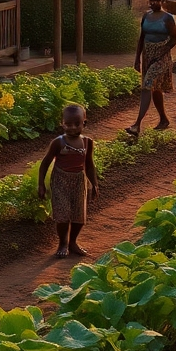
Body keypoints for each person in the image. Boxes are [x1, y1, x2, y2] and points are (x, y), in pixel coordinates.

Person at [38, 103, 99, 257]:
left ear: (84, 123)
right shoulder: (58, 142)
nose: (72, 128)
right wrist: (41, 185)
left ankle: (73, 242)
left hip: (79, 181)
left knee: (79, 215)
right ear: (62, 124)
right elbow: (45, 163)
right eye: (68, 124)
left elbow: (89, 165)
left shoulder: (87, 143)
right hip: (60, 181)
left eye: (76, 124)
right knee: (63, 216)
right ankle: (63, 243)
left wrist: (94, 184)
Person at [127, 0, 176, 136]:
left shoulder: (168, 18)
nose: (154, 3)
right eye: (152, 0)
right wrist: (137, 59)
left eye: (158, 0)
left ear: (163, 1)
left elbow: (174, 40)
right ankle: (163, 119)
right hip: (147, 56)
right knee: (154, 89)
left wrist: (160, 53)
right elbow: (141, 38)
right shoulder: (146, 16)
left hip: (162, 57)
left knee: (147, 85)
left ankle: (137, 125)